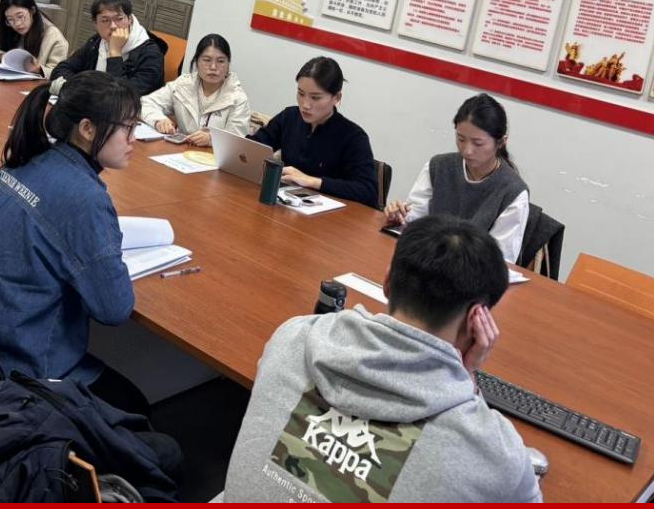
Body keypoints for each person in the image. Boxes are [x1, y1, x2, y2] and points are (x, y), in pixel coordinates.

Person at [224, 215, 541, 503]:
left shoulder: (295, 336)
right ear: (476, 320)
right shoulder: (493, 449)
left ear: (387, 281)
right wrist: (466, 378)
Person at [0, 72, 148, 415]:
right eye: (128, 128)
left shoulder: (30, 159)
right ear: (87, 129)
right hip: (24, 369)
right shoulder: (85, 198)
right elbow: (114, 309)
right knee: (136, 407)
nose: (135, 139)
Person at [384, 94, 529, 263]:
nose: (467, 150)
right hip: (428, 262)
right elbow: (416, 219)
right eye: (461, 139)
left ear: (501, 142)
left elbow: (500, 259)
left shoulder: (513, 192)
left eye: (478, 143)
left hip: (471, 272)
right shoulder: (438, 166)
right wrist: (400, 216)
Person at [248, 56, 378, 207]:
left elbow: (368, 191)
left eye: (315, 98)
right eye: (301, 94)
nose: (305, 105)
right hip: (288, 204)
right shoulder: (289, 117)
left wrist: (313, 182)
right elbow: (256, 145)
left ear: (336, 98)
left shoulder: (353, 137)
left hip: (331, 215)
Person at [141, 33, 251, 146]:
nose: (213, 67)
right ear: (197, 62)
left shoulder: (238, 98)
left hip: (213, 155)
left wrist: (211, 139)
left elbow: (237, 141)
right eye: (207, 60)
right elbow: (146, 103)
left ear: (228, 65)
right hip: (181, 150)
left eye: (221, 61)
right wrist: (159, 120)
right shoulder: (183, 85)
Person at [49, 0, 165, 97]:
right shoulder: (97, 42)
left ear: (130, 20)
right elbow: (61, 70)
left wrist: (115, 53)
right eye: (105, 20)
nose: (113, 26)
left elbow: (121, 97)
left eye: (119, 19)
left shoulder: (151, 54)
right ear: (95, 24)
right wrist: (85, 89)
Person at [0, 0, 68, 77]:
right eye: (10, 19)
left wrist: (39, 69)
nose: (17, 24)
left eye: (20, 16)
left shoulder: (54, 38)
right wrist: (3, 56)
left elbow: (59, 73)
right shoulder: (7, 27)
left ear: (32, 10)